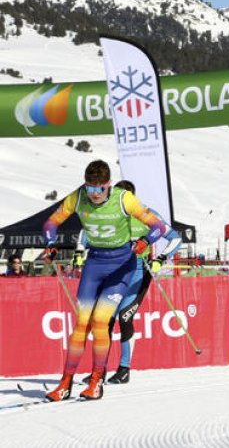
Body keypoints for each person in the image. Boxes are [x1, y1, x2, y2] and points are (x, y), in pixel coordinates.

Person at [42, 160, 167, 401]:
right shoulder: (78, 197)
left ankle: (97, 381)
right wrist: (50, 244)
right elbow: (51, 222)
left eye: (99, 189)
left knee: (100, 321)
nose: (95, 195)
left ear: (108, 185)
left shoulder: (124, 199)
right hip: (95, 264)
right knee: (81, 324)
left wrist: (145, 242)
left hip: (122, 267)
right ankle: (65, 383)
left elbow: (158, 227)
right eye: (90, 188)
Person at [106, 180, 182, 385]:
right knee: (105, 319)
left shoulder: (147, 214)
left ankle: (124, 370)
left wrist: (160, 258)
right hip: (117, 275)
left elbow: (175, 238)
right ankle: (99, 370)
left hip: (139, 274)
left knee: (124, 317)